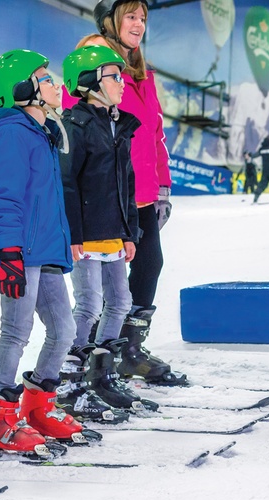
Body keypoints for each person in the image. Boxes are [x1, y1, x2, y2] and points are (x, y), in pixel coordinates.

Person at [70, 0, 186, 386]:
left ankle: (128, 349)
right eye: (130, 17)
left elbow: (155, 134)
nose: (138, 25)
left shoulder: (141, 73)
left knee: (149, 266)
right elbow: (80, 127)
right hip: (107, 193)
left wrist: (163, 186)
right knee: (104, 283)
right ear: (109, 23)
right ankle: (92, 356)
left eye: (142, 18)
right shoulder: (93, 66)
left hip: (143, 193)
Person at [0, 49, 85, 454]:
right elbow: (2, 197)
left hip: (45, 251)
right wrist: (8, 252)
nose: (56, 85)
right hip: (19, 253)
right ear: (23, 90)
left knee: (64, 331)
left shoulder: (41, 133)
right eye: (46, 78)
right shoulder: (10, 133)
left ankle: (38, 407)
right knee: (16, 332)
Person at [60, 45, 147, 418]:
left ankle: (102, 373)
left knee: (121, 303)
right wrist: (74, 237)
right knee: (89, 304)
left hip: (114, 233)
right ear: (90, 84)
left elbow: (126, 185)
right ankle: (70, 377)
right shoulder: (74, 126)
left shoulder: (119, 127)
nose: (122, 83)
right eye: (114, 77)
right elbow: (67, 184)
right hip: (87, 236)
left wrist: (131, 233)